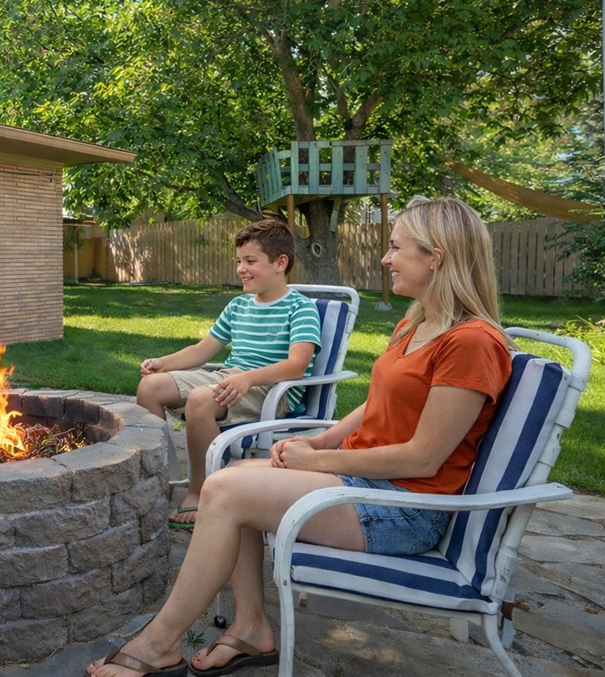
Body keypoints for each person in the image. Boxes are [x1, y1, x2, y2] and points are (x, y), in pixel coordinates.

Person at [88, 197, 513, 677]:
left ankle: (158, 644)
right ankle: (250, 628)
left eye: (395, 248)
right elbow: (378, 407)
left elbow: (423, 458)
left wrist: (317, 463)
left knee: (228, 491)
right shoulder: (416, 324)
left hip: (405, 508)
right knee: (228, 478)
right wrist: (323, 442)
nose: (385, 257)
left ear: (435, 257)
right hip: (368, 487)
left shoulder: (472, 342)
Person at [136, 218, 321, 529]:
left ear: (280, 263)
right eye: (239, 261)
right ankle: (159, 481)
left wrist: (248, 378)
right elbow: (202, 350)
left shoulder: (300, 308)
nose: (241, 269)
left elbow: (296, 365)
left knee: (199, 400)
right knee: (150, 388)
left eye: (250, 261)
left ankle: (203, 492)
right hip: (230, 379)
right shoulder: (238, 306)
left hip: (269, 391)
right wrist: (163, 363)